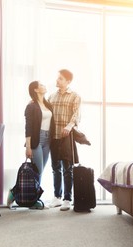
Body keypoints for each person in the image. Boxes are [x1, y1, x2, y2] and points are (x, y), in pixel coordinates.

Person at [7, 81, 54, 209]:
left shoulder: (48, 104)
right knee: (37, 171)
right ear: (36, 89)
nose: (45, 85)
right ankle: (33, 200)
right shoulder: (31, 106)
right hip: (36, 140)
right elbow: (28, 127)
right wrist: (28, 146)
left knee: (40, 171)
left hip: (47, 140)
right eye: (42, 84)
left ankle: (14, 192)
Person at [48, 69, 81, 211]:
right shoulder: (51, 97)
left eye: (60, 78)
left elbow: (76, 115)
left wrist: (68, 127)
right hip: (53, 136)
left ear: (68, 81)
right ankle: (57, 197)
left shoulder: (75, 96)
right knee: (55, 168)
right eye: (58, 78)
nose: (57, 80)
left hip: (66, 136)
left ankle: (67, 199)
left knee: (68, 168)